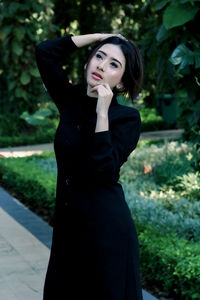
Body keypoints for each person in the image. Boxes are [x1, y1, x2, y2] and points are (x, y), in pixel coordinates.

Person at [35, 32, 143, 300]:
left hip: (106, 231)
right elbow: (45, 52)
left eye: (114, 64)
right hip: (68, 228)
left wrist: (102, 113)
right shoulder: (69, 100)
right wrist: (100, 36)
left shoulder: (126, 119)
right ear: (88, 63)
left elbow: (102, 172)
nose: (102, 66)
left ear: (120, 82)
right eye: (99, 56)